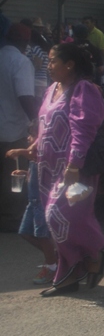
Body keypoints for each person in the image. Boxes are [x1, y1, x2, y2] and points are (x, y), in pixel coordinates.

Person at [10, 43, 104, 295]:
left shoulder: (84, 90)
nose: (49, 65)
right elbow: (46, 126)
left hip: (73, 168)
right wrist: (31, 149)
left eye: (53, 60)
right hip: (47, 169)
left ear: (70, 65)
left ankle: (95, 252)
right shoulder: (51, 90)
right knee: (56, 223)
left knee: (59, 216)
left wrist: (74, 164)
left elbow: (83, 130)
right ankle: (69, 275)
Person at [0, 23, 38, 233]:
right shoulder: (21, 62)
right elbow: (25, 95)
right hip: (13, 130)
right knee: (14, 176)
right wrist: (36, 119)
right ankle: (12, 218)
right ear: (25, 42)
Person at [22, 18, 50, 98]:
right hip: (41, 81)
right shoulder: (42, 49)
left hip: (37, 82)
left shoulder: (36, 49)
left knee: (37, 102)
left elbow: (38, 65)